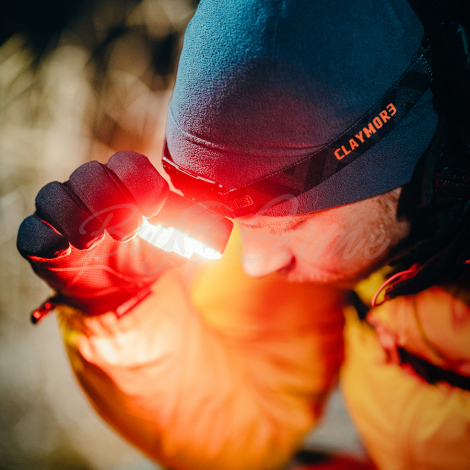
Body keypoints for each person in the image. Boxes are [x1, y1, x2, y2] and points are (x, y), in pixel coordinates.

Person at [17, 0, 470, 469]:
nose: (255, 264)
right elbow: (247, 428)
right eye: (238, 224)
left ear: (410, 164)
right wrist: (121, 311)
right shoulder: (348, 238)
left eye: (290, 224)